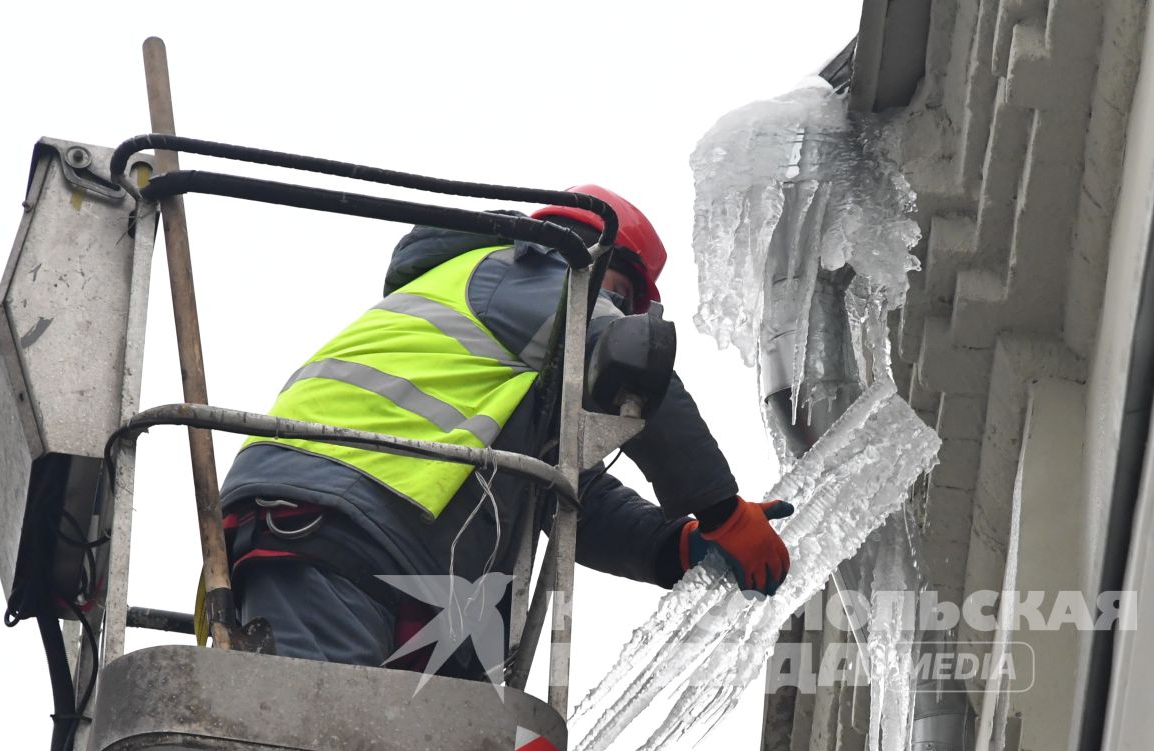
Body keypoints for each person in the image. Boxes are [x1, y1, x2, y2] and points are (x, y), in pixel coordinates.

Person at [216, 184, 793, 679]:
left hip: (360, 523)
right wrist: (721, 511)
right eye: (618, 293)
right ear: (591, 251)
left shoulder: (508, 360)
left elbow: (568, 494)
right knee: (316, 745)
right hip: (341, 513)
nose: (615, 308)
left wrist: (674, 546)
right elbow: (634, 367)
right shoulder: (529, 270)